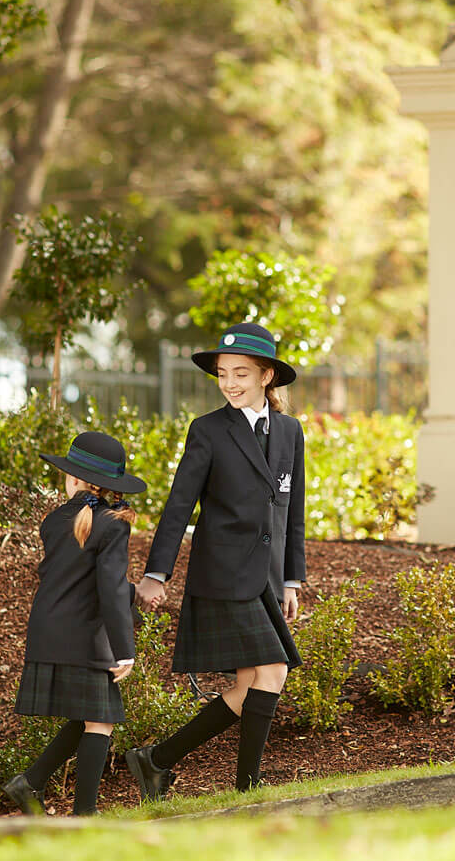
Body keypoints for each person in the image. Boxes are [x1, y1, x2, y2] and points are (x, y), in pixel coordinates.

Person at [126, 322, 306, 800]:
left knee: (250, 685)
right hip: (222, 574)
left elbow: (293, 513)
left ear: (266, 375)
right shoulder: (207, 430)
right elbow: (179, 505)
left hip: (266, 579)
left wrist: (291, 579)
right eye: (223, 374)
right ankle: (248, 788)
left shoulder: (290, 432)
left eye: (240, 373)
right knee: (274, 672)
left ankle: (155, 760)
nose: (229, 383)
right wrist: (156, 573)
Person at [5, 432, 144, 817]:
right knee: (101, 720)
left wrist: (131, 594)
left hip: (48, 629)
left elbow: (76, 576)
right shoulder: (113, 524)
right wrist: (125, 649)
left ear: (74, 479)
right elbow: (109, 588)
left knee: (88, 716)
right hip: (85, 634)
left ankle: (30, 783)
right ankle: (85, 815)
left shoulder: (53, 520)